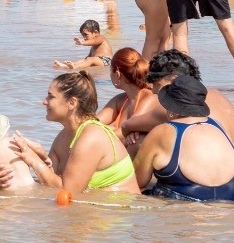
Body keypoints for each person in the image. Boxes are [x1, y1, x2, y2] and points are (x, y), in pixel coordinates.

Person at [10, 71, 140, 195]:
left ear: (72, 103)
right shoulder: (64, 135)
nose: (44, 101)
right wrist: (11, 173)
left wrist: (34, 160)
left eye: (51, 96)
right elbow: (50, 181)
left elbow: (68, 191)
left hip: (122, 212)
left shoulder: (91, 136)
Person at [133, 74, 234, 202]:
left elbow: (138, 180)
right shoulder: (217, 125)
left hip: (190, 201)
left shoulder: (163, 131)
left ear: (171, 108)